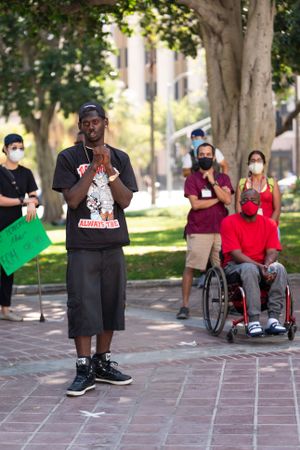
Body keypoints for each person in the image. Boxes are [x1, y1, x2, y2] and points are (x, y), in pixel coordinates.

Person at [52, 101, 138, 397]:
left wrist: (109, 167)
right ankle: (83, 367)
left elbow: (125, 201)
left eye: (96, 121)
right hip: (82, 246)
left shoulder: (122, 158)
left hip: (113, 244)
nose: (91, 127)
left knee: (110, 304)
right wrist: (93, 166)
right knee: (82, 306)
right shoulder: (68, 157)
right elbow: (73, 200)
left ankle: (102, 363)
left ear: (105, 122)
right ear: (80, 126)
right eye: (85, 123)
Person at [177, 143, 233, 320]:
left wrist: (213, 183)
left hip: (221, 230)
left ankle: (228, 302)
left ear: (214, 157)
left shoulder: (223, 178)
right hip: (199, 230)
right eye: (202, 154)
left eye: (209, 154)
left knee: (225, 268)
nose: (205, 157)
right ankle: (184, 306)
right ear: (197, 157)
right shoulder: (192, 180)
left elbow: (228, 200)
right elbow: (196, 204)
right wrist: (218, 198)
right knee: (191, 267)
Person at [221, 188, 288, 337]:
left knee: (280, 268)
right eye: (245, 200)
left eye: (253, 201)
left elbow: (272, 251)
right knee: (249, 268)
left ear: (259, 204)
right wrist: (261, 267)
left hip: (262, 264)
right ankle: (253, 321)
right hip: (235, 266)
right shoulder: (229, 222)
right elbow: (236, 255)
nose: (249, 203)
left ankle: (274, 319)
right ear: (239, 203)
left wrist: (268, 265)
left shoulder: (270, 224)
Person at [0, 133, 39, 321]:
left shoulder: (26, 173)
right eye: (14, 147)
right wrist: (24, 200)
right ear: (5, 149)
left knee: (8, 267)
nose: (18, 151)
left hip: (14, 226)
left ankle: (5, 310)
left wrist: (32, 203)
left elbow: (34, 196)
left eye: (21, 147)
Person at [235, 150, 281, 223]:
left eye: (259, 160)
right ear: (248, 164)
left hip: (269, 226)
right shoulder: (242, 183)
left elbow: (277, 209)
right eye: (253, 161)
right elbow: (238, 209)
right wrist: (244, 226)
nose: (256, 163)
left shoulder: (272, 183)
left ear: (264, 163)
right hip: (248, 227)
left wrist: (270, 226)